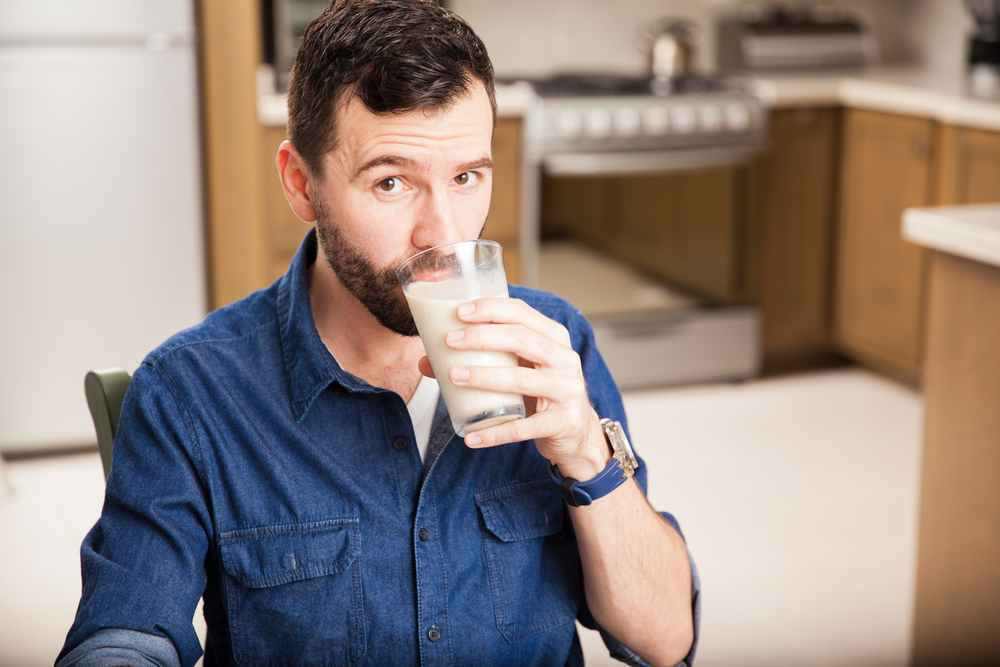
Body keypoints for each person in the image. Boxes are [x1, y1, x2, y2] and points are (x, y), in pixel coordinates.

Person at [57, 1, 699, 665]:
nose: (443, 233)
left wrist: (590, 457)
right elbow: (123, 633)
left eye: (466, 177)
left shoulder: (553, 343)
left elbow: (664, 639)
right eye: (391, 181)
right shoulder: (191, 392)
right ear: (301, 185)